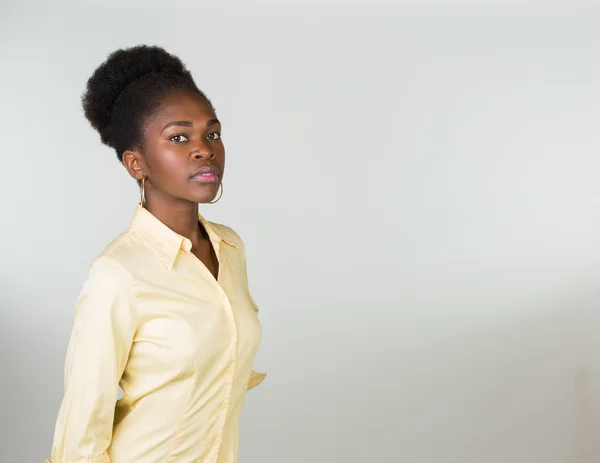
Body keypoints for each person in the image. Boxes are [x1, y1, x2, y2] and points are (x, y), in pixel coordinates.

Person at [46, 45, 266, 463]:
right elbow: (79, 435)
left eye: (212, 134)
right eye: (178, 137)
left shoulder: (230, 248)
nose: (204, 149)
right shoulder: (118, 273)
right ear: (136, 163)